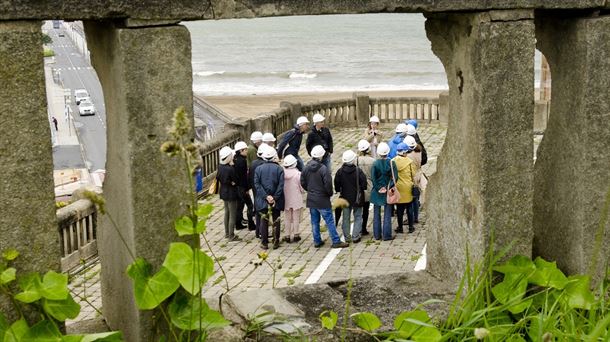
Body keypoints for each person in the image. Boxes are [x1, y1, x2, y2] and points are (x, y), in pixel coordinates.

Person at [301, 145, 348, 249]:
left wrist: (309, 190)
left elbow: (303, 182)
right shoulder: (323, 169)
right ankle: (336, 240)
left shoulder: (306, 168)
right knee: (329, 221)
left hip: (311, 198)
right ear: (321, 156)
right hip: (322, 199)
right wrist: (329, 193)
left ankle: (317, 240)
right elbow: (328, 185)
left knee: (314, 221)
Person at [254, 146, 284, 250]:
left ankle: (264, 242)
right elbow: (281, 185)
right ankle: (276, 241)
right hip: (276, 199)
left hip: (262, 199)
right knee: (276, 219)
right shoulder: (279, 169)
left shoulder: (258, 169)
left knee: (263, 220)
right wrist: (274, 197)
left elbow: (257, 185)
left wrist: (266, 196)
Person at [334, 150, 367, 243]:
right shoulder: (358, 171)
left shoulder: (340, 172)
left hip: (345, 198)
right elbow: (364, 184)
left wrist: (338, 190)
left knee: (346, 218)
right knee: (358, 217)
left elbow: (336, 185)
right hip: (357, 198)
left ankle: (347, 237)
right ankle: (356, 236)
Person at [217, 146, 241, 242]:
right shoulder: (230, 169)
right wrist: (232, 182)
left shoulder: (220, 167)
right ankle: (231, 235)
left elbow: (218, 178)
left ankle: (227, 233)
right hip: (231, 193)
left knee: (226, 212)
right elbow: (236, 180)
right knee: (232, 214)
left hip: (223, 192)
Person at [370, 142, 394, 240]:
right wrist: (389, 187)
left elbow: (373, 178)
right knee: (387, 214)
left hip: (377, 191)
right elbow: (395, 177)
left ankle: (377, 235)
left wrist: (378, 188)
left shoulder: (375, 164)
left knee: (376, 214)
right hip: (388, 190)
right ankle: (387, 235)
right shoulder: (392, 163)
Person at [392, 143, 416, 234]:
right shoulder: (409, 162)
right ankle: (410, 227)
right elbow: (413, 175)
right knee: (409, 207)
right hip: (408, 187)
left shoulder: (393, 161)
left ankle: (400, 227)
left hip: (398, 187)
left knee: (399, 209)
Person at [233, 141, 255, 231]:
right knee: (250, 206)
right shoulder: (242, 162)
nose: (247, 151)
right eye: (245, 150)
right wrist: (247, 188)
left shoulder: (235, 159)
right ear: (241, 151)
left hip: (237, 187)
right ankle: (251, 224)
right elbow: (244, 177)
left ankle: (238, 223)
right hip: (242, 187)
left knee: (240, 206)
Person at [249, 143, 270, 239]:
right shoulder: (263, 164)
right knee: (263, 212)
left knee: (257, 211)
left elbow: (249, 176)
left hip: (255, 189)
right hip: (262, 190)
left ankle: (258, 231)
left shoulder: (253, 163)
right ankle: (262, 232)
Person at [282, 155, 304, 243]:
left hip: (286, 198)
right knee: (296, 217)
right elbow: (301, 187)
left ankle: (287, 235)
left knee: (287, 218)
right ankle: (296, 234)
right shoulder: (297, 174)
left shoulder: (282, 173)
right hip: (296, 198)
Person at [357, 139, 375, 236]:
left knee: (358, 209)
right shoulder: (372, 161)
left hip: (358, 186)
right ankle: (363, 228)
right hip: (368, 186)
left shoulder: (356, 160)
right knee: (366, 209)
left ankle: (358, 227)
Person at [405, 135, 423, 224]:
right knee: (416, 199)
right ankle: (416, 217)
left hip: (411, 177)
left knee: (411, 199)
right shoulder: (418, 151)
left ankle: (411, 218)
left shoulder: (408, 156)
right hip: (418, 175)